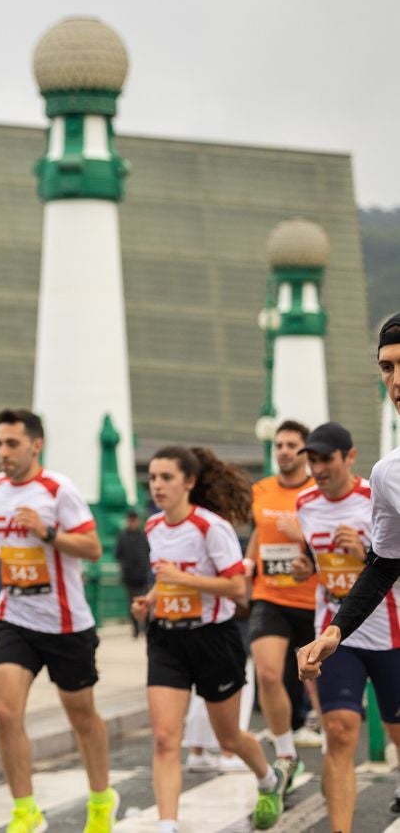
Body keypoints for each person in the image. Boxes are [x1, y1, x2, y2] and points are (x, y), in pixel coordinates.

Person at [0, 408, 118, 833]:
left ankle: (101, 800)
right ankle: (25, 810)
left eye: (12, 443)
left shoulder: (59, 491)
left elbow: (93, 548)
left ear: (36, 445)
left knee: (81, 716)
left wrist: (48, 534)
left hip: (66, 623)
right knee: (3, 710)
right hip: (15, 616)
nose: (3, 452)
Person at [133, 445, 284, 833]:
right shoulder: (152, 527)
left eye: (167, 477)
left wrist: (184, 580)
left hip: (213, 640)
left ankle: (269, 778)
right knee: (166, 738)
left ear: (190, 482)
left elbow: (237, 586)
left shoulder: (209, 527)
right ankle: (167, 826)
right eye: (153, 478)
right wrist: (148, 601)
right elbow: (164, 578)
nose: (158, 486)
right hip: (167, 639)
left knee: (228, 736)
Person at [299, 314, 400, 816]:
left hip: (395, 637)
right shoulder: (389, 474)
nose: (397, 381)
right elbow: (385, 564)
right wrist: (333, 631)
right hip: (356, 631)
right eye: (387, 368)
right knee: (339, 730)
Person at [243, 419, 318, 788]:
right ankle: (287, 754)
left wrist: (300, 532)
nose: (285, 451)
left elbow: (333, 539)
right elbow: (259, 530)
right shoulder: (261, 489)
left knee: (318, 681)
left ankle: (334, 742)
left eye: (292, 445)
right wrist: (246, 563)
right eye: (280, 445)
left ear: (305, 452)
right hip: (269, 595)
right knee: (268, 673)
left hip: (312, 599)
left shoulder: (316, 492)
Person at [115, 509, 150, 638]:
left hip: (143, 576)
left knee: (146, 602)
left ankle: (146, 628)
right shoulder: (122, 536)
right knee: (132, 603)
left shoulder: (144, 535)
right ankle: (135, 630)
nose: (132, 522)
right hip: (129, 577)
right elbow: (118, 554)